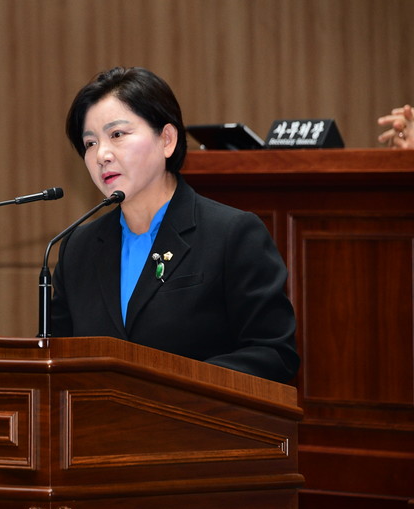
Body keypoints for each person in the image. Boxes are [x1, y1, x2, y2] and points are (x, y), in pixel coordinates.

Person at [50, 67, 299, 384]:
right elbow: (58, 361)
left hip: (199, 415)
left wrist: (177, 386)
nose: (102, 155)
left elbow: (274, 354)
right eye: (89, 143)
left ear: (166, 139)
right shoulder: (78, 248)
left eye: (117, 135)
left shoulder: (232, 234)